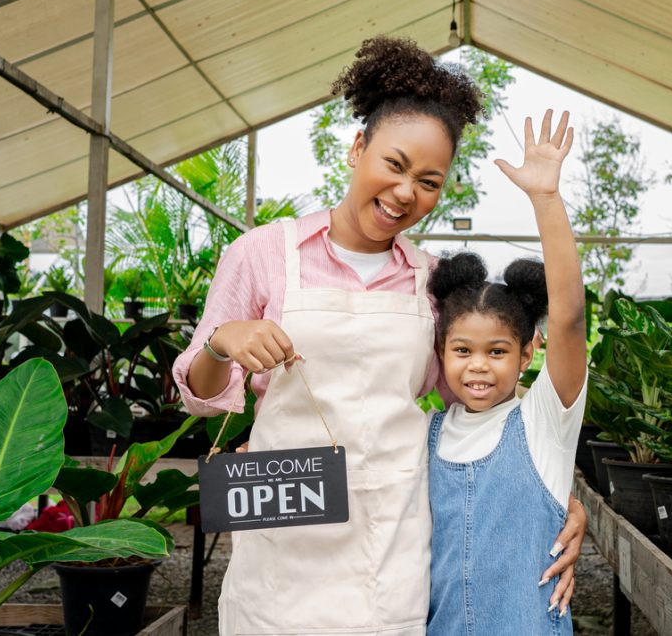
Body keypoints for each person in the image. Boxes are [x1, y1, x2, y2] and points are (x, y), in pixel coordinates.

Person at [172, 37, 586, 636]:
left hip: (396, 545)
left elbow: (479, 410)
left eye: (429, 181)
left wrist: (554, 501)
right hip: (285, 542)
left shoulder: (434, 281)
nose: (404, 194)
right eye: (394, 165)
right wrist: (221, 342)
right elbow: (199, 392)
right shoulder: (264, 254)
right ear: (358, 146)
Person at [425, 110, 586, 635]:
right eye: (461, 350)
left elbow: (568, 317)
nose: (477, 366)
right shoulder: (425, 435)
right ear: (440, 351)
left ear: (528, 353)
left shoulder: (545, 422)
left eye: (497, 351)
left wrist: (545, 199)